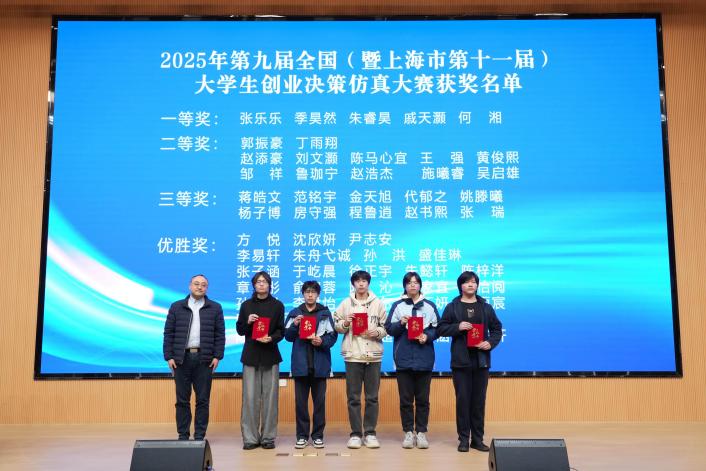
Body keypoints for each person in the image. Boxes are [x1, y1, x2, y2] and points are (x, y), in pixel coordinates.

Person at [438, 271, 503, 453]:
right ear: (460, 286)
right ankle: (463, 439)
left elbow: (497, 329)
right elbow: (441, 329)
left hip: (481, 361)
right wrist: (457, 327)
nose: (471, 285)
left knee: (478, 402)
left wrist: (490, 343)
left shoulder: (486, 307)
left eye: (474, 282)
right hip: (461, 362)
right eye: (467, 282)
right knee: (463, 401)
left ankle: (477, 439)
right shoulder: (452, 306)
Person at [163, 274, 225, 441]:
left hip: (205, 359)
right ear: (190, 286)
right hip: (181, 359)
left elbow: (220, 334)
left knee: (203, 400)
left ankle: (199, 436)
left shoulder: (215, 308)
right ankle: (183, 435)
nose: (200, 287)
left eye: (203, 285)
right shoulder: (176, 307)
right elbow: (168, 333)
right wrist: (169, 356)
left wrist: (217, 356)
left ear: (207, 288)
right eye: (196, 284)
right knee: (182, 400)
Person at [385, 272, 440, 449]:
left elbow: (438, 329)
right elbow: (389, 329)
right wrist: (401, 323)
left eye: (416, 282)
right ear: (404, 286)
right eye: (409, 283)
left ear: (420, 285)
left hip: (424, 359)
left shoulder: (430, 306)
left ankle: (421, 433)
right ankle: (408, 432)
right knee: (406, 400)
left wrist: (427, 336)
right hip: (403, 360)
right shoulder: (398, 306)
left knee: (423, 400)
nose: (412, 285)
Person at [333, 270, 387, 449]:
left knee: (372, 397)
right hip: (353, 355)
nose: (361, 284)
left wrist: (376, 332)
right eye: (358, 281)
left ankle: (370, 433)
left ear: (368, 283)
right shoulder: (345, 303)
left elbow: (385, 327)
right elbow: (337, 326)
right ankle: (356, 434)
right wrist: (345, 323)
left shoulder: (378, 303)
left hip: (373, 356)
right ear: (353, 284)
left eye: (364, 281)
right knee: (353, 398)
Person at [284, 280, 338, 449]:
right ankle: (301, 436)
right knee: (300, 404)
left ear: (317, 294)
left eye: (313, 292)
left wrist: (321, 341)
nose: (310, 295)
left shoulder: (324, 313)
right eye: (307, 292)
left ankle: (318, 436)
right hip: (300, 365)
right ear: (303, 294)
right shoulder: (295, 313)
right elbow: (287, 336)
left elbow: (333, 336)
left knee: (319, 403)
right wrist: (295, 325)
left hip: (320, 364)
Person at [235, 271, 285, 450]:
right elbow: (240, 330)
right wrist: (248, 321)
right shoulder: (246, 305)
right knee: (249, 398)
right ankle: (250, 438)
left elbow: (281, 331)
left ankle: (268, 437)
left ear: (270, 285)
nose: (261, 284)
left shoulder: (278, 305)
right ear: (254, 285)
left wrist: (271, 338)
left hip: (270, 355)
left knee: (271, 399)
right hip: (251, 355)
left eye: (264, 281)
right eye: (258, 281)